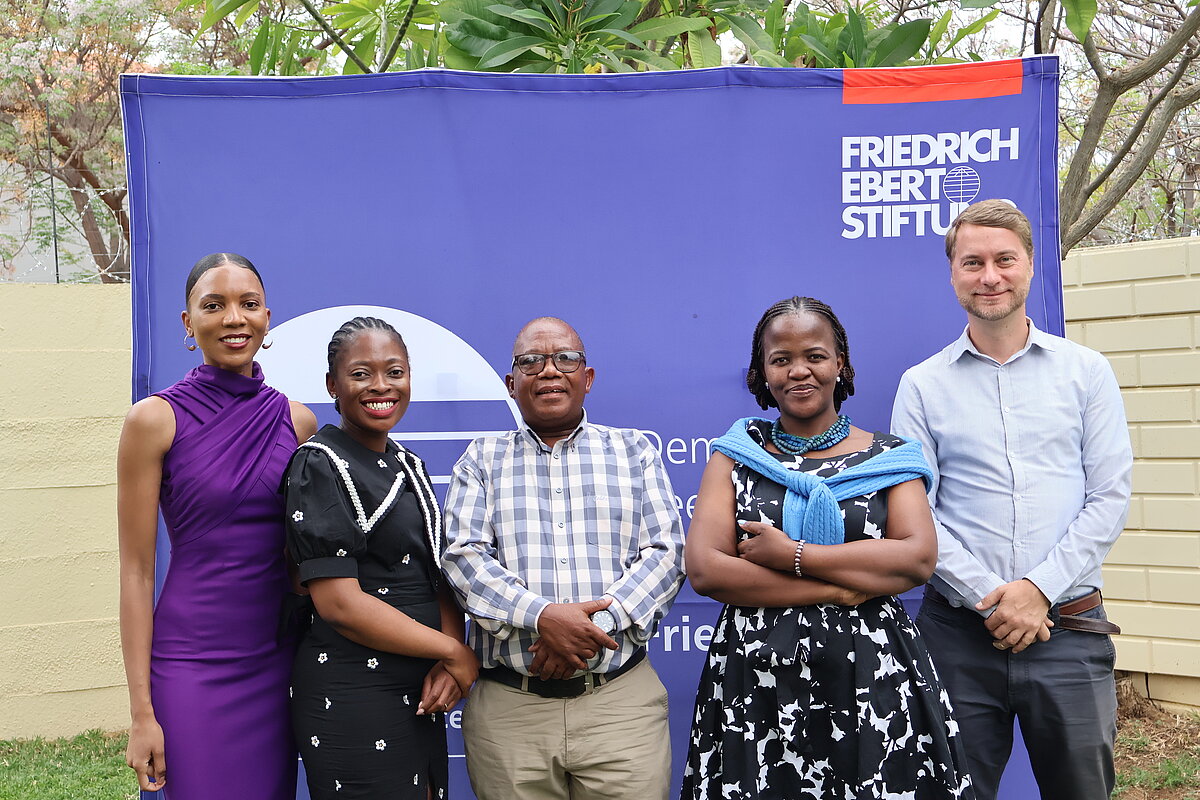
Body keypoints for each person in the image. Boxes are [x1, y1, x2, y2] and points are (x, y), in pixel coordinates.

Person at [682, 296, 975, 800]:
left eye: (815, 356)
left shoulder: (889, 456)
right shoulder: (735, 455)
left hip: (872, 676)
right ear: (761, 373)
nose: (800, 371)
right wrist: (838, 587)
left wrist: (795, 556)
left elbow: (917, 558)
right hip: (756, 680)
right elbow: (706, 569)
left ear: (840, 363)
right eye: (781, 359)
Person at [891, 199, 1132, 800]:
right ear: (953, 274)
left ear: (1030, 266)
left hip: (1068, 633)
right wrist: (993, 601)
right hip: (958, 638)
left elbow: (1108, 497)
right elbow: (914, 512)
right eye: (973, 262)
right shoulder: (921, 385)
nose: (989, 275)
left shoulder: (1087, 373)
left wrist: (1037, 591)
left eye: (1005, 259)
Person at [441, 316, 686, 800]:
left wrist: (588, 631)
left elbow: (666, 554)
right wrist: (544, 618)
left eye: (565, 358)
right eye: (531, 361)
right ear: (511, 384)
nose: (549, 371)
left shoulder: (634, 451)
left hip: (618, 705)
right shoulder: (481, 458)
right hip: (511, 713)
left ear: (587, 378)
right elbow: (463, 558)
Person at [117, 252, 318, 797]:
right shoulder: (153, 420)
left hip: (275, 663)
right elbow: (135, 572)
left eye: (248, 304)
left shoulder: (298, 422)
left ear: (267, 318)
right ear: (188, 323)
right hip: (191, 663)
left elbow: (304, 562)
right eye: (215, 305)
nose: (234, 318)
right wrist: (141, 713)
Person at [282, 316, 478, 800]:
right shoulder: (319, 462)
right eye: (361, 373)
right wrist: (453, 652)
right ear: (332, 384)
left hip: (419, 687)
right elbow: (338, 604)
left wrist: (447, 659)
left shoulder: (408, 462)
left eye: (395, 371)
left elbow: (438, 573)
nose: (380, 386)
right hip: (350, 690)